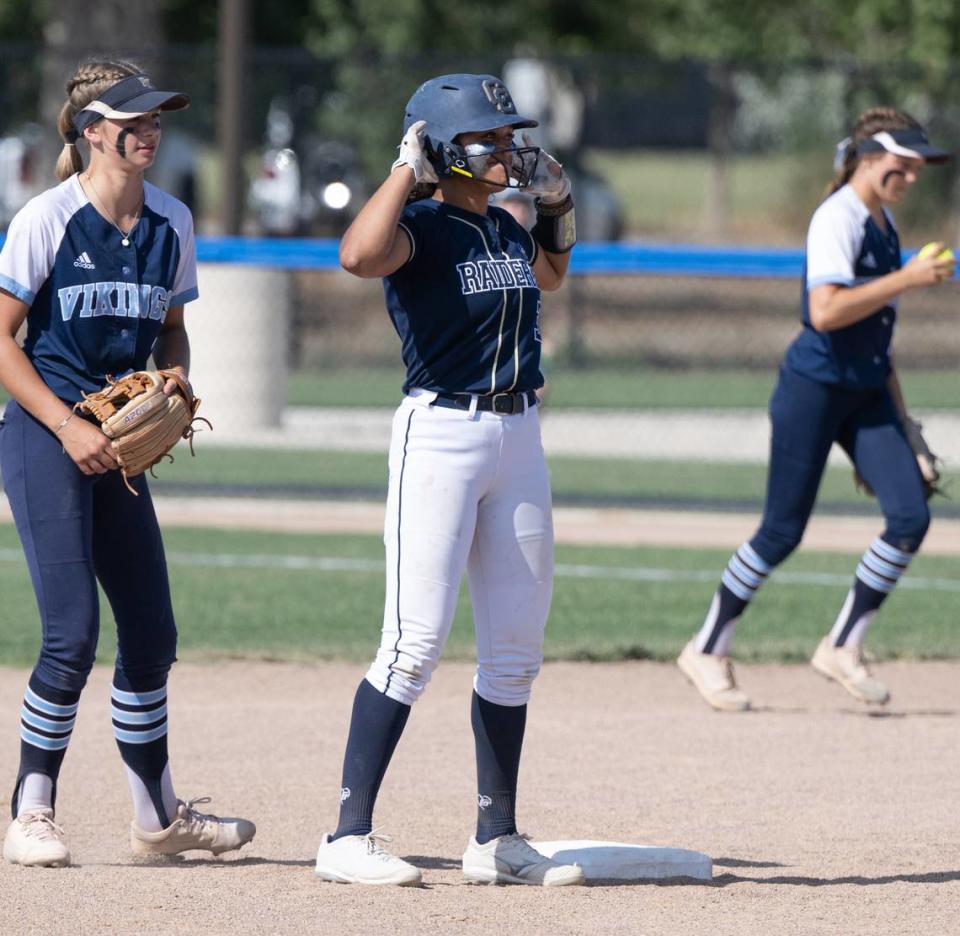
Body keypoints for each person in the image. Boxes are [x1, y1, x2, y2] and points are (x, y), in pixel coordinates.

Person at [313, 74, 583, 887]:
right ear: (441, 149)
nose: (508, 150)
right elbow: (357, 255)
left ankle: (495, 838)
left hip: (519, 435)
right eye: (489, 139)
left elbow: (552, 277)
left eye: (509, 137)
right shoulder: (422, 228)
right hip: (441, 434)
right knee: (412, 642)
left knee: (514, 651)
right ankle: (346, 837)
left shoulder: (503, 228)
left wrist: (561, 211)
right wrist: (408, 168)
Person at [0, 59, 255, 867]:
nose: (149, 131)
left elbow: (171, 328)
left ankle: (157, 816)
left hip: (117, 444)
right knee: (72, 635)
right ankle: (31, 809)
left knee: (150, 634)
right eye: (133, 121)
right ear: (92, 133)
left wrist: (175, 374)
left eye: (155, 120)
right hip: (45, 435)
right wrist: (63, 425)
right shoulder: (46, 218)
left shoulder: (171, 220)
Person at [677, 108, 953, 713]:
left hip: (867, 391)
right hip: (814, 388)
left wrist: (904, 425)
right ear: (869, 158)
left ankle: (843, 645)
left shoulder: (883, 222)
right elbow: (825, 311)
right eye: (902, 166)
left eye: (916, 170)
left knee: (910, 516)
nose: (911, 178)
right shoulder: (838, 217)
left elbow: (879, 342)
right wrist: (906, 279)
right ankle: (706, 647)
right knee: (782, 530)